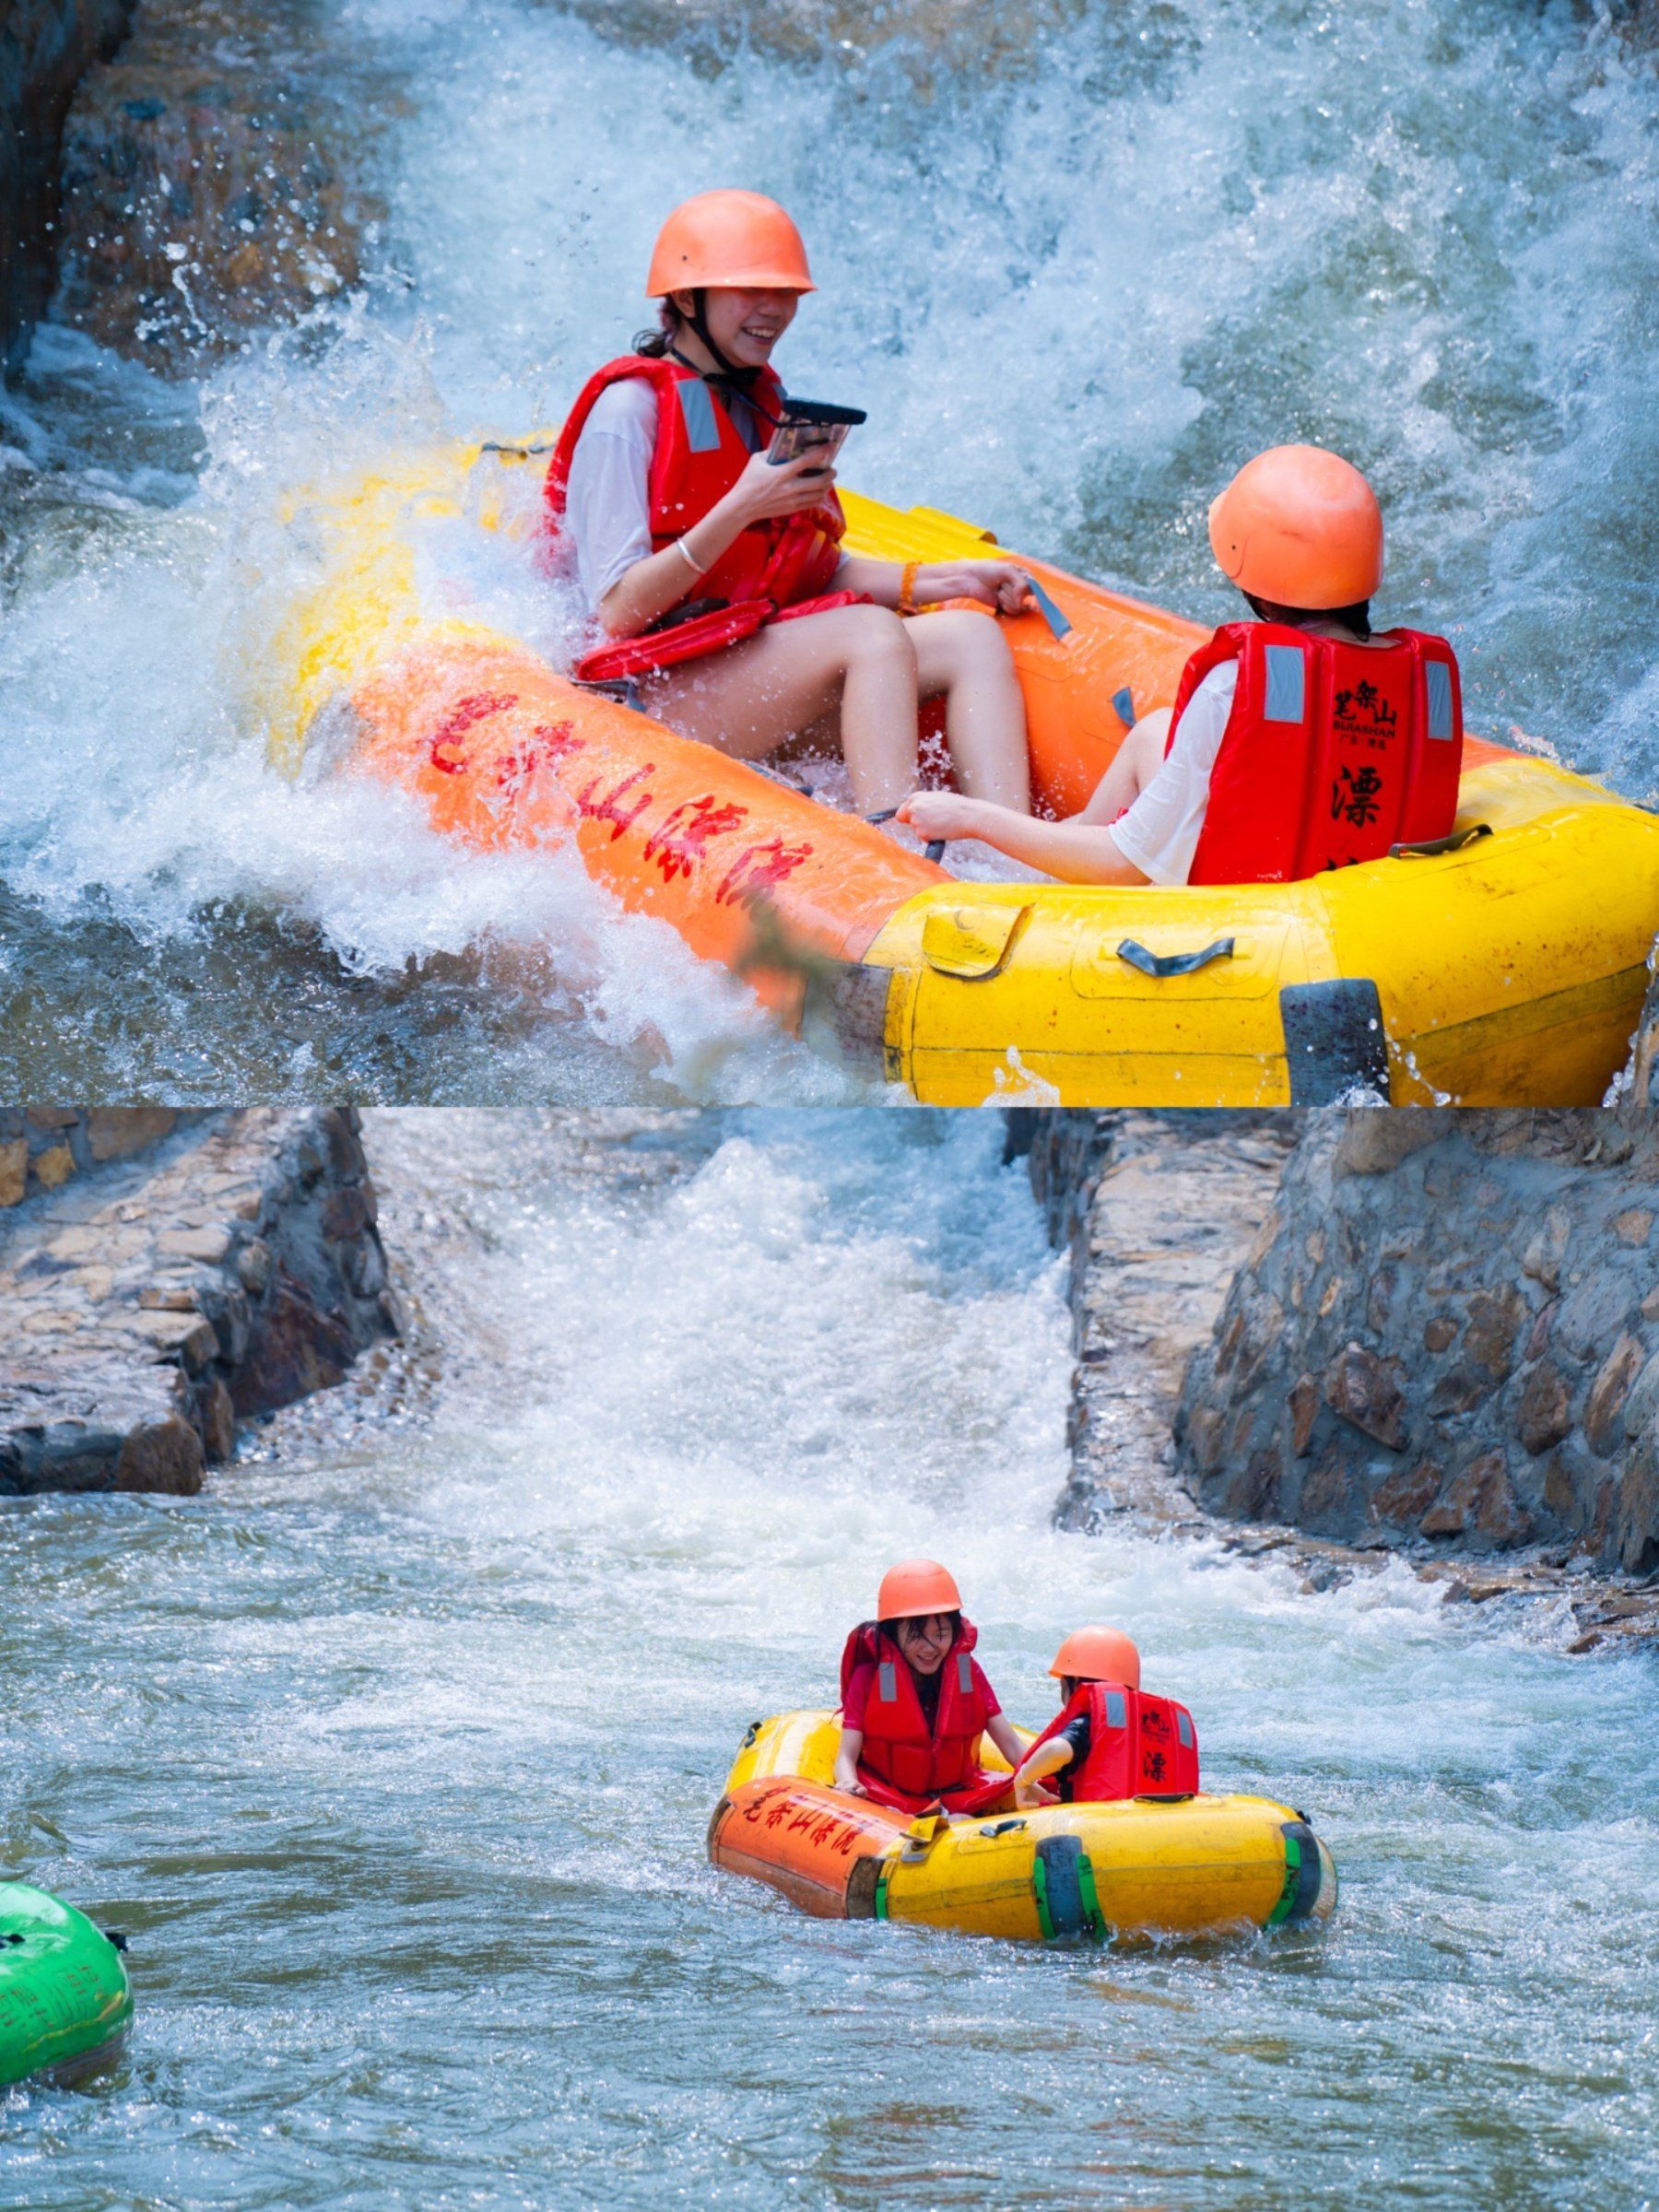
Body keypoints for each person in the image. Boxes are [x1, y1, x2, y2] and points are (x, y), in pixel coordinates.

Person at [543, 189, 1035, 820]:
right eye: (750, 292)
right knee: (870, 635)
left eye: (785, 295)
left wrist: (952, 579)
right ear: (688, 300)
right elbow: (616, 613)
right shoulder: (628, 413)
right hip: (647, 696)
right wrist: (741, 508)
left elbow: (803, 569)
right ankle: (901, 849)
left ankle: (1015, 849)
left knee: (969, 636)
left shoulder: (757, 402)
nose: (772, 312)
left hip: (742, 669)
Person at [898, 443, 1465, 885]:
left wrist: (971, 817)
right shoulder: (1427, 683)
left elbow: (1124, 865)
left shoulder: (1234, 690)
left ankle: (1025, 865)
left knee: (1104, 816)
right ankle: (1049, 847)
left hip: (1239, 920)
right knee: (1152, 734)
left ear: (1256, 584)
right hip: (1358, 903)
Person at [833, 1559, 1027, 1816]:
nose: (930, 1648)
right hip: (888, 1799)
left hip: (958, 1795)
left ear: (955, 1631)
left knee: (959, 1820)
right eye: (916, 1636)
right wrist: (847, 1782)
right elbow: (847, 1754)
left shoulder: (968, 1673)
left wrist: (1041, 1776)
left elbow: (1011, 1746)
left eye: (941, 1634)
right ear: (892, 1634)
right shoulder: (867, 1679)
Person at [1009, 1627, 1142, 1808]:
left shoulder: (1087, 1724)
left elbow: (1057, 1751)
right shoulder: (1144, 1724)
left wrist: (1022, 1780)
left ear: (1074, 1682)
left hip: (1096, 1823)